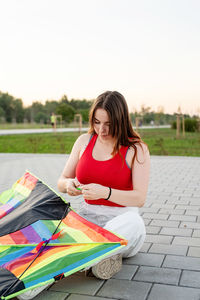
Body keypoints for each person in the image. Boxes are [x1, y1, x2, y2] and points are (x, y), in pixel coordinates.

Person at [57, 91, 150, 279]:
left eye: (109, 124)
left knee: (134, 223)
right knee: (60, 226)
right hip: (88, 219)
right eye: (97, 122)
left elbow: (139, 198)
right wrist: (68, 184)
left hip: (122, 222)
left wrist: (105, 193)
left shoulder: (136, 148)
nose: (102, 130)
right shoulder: (84, 141)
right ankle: (99, 259)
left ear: (121, 121)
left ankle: (86, 257)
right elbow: (62, 180)